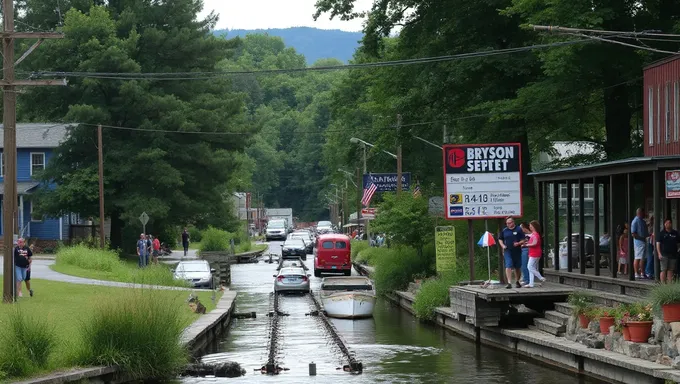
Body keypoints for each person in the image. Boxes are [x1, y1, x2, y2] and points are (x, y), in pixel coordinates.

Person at [498, 217, 525, 289]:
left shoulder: (519, 229)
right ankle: (509, 282)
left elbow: (523, 239)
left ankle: (517, 281)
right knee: (508, 264)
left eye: (509, 223)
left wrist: (519, 243)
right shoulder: (505, 230)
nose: (508, 224)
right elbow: (500, 239)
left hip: (517, 250)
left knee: (517, 267)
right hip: (508, 250)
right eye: (507, 223)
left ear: (513, 222)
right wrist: (503, 246)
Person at [656, 219, 679, 284]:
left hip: (673, 254)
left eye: (669, 223)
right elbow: (658, 244)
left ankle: (669, 285)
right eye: (666, 223)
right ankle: (663, 285)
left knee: (670, 270)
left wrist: (678, 250)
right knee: (663, 269)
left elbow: (678, 243)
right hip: (664, 254)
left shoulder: (675, 233)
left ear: (671, 224)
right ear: (664, 224)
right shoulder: (661, 233)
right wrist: (659, 253)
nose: (667, 224)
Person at [525, 220, 546, 288]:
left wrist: (527, 245)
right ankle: (531, 284)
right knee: (532, 268)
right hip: (533, 253)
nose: (530, 227)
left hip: (535, 253)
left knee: (529, 267)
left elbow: (535, 243)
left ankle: (541, 278)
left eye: (531, 226)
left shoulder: (535, 235)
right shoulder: (533, 234)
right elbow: (529, 236)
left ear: (534, 227)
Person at [631, 208, 649, 279]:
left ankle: (642, 272)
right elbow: (633, 234)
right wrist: (642, 238)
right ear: (640, 213)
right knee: (637, 257)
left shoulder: (642, 221)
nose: (645, 214)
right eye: (644, 213)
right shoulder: (635, 221)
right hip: (639, 242)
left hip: (644, 241)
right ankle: (636, 273)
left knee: (642, 258)